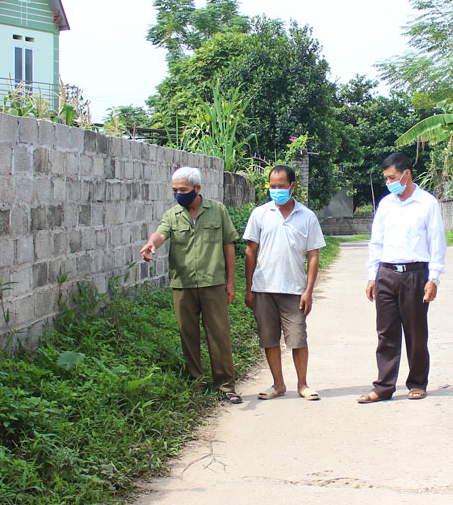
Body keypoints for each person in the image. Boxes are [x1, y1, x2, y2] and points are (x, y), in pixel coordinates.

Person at [140, 166, 243, 404]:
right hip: (183, 285)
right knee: (188, 335)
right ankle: (197, 382)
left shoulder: (217, 211)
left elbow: (229, 245)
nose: (178, 194)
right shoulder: (172, 215)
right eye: (174, 190)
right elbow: (160, 234)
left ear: (197, 188)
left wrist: (230, 283)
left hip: (213, 283)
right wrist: (151, 243)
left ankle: (226, 385)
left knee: (219, 334)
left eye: (183, 190)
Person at [360, 152, 446, 403]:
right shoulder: (386, 204)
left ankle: (417, 383)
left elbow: (437, 243)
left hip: (415, 276)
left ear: (406, 175)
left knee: (415, 333)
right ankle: (383, 386)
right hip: (386, 273)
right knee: (386, 333)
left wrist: (434, 278)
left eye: (392, 177)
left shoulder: (427, 203)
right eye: (386, 178)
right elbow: (376, 242)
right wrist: (372, 276)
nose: (389, 182)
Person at [243, 165, 326, 401]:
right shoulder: (259, 214)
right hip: (263, 289)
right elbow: (250, 252)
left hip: (294, 290)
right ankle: (278, 384)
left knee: (298, 338)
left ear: (292, 186)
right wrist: (249, 289)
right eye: (273, 186)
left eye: (281, 186)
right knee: (268, 338)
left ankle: (303, 384)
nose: (276, 190)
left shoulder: (307, 216)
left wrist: (308, 291)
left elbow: (313, 256)